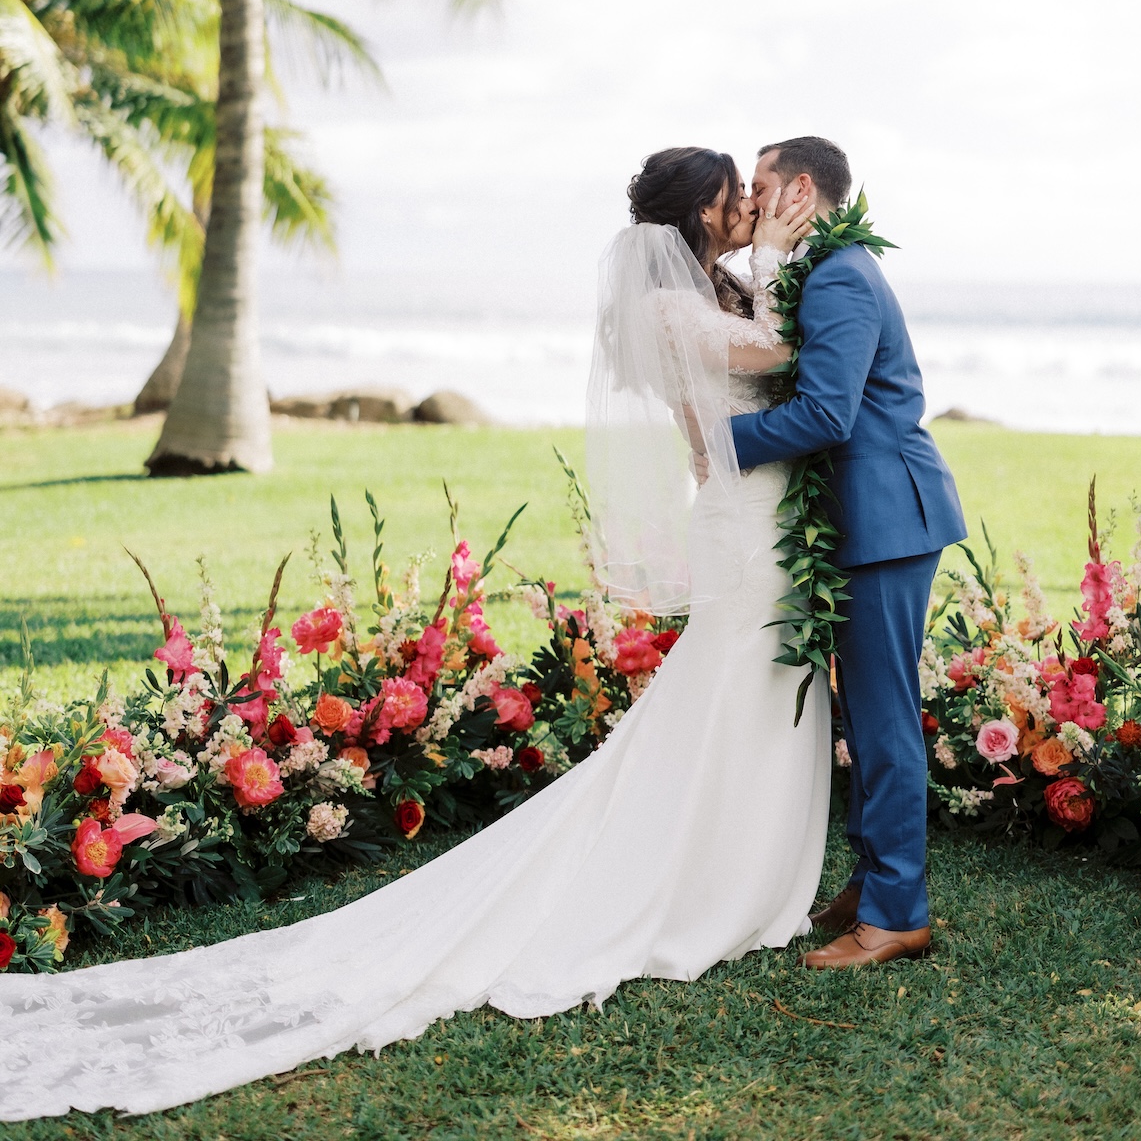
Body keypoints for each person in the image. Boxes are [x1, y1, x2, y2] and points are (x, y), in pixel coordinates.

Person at [0, 146, 831, 1123]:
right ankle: (702, 882)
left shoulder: (706, 292)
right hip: (743, 529)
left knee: (742, 700)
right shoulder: (668, 305)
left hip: (759, 521)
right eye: (738, 197)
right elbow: (778, 361)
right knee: (731, 696)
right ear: (701, 213)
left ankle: (730, 867)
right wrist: (785, 258)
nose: (751, 208)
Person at [730, 136, 967, 969]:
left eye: (759, 184)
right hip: (864, 517)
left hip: (885, 518)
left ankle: (897, 911)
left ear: (800, 186)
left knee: (884, 716)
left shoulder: (837, 274)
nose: (750, 200)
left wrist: (717, 442)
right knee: (865, 714)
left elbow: (828, 414)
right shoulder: (824, 270)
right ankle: (872, 885)